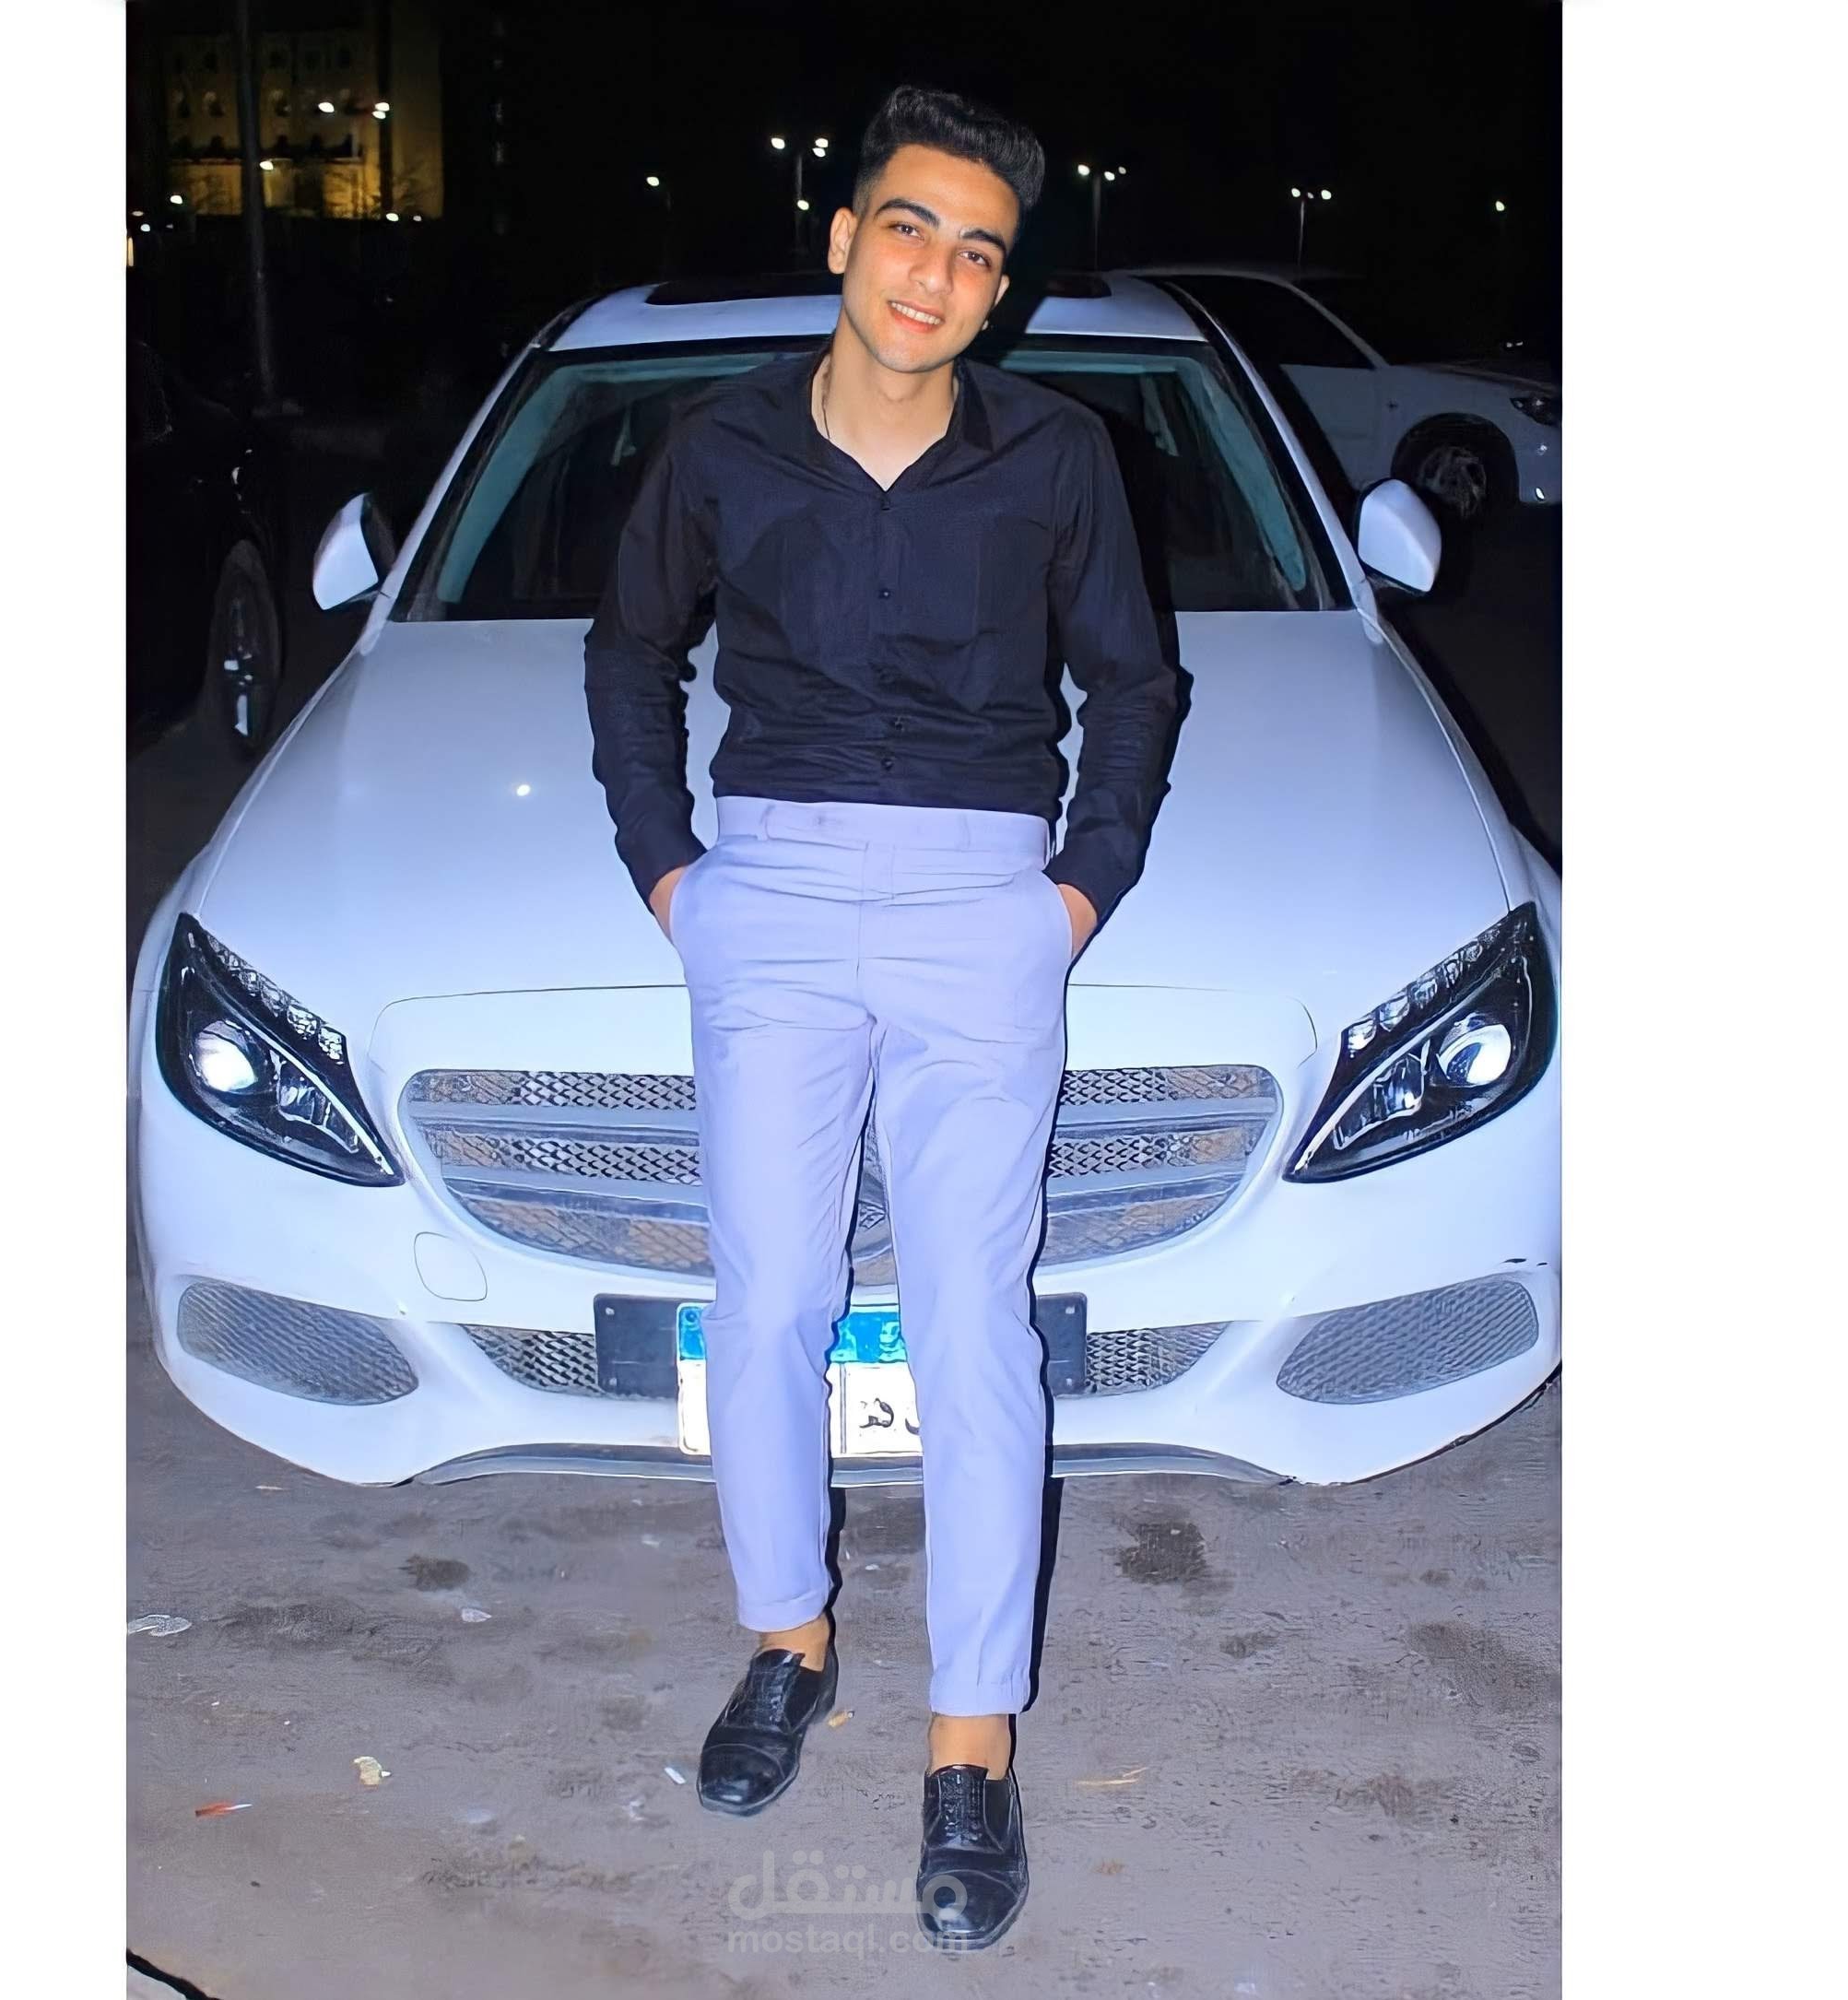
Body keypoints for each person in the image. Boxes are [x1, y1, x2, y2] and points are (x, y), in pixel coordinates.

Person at [583, 82, 1182, 1950]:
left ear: (1001, 291)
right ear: (844, 238)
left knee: (967, 1321)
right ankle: (789, 1637)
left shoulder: (1058, 455)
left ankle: (970, 1732)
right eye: (908, 227)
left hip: (981, 899)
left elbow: (1133, 682)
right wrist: (670, 870)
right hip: (764, 885)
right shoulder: (720, 446)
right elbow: (627, 651)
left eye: (977, 251)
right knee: (764, 1291)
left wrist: (1074, 888)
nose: (935, 272)